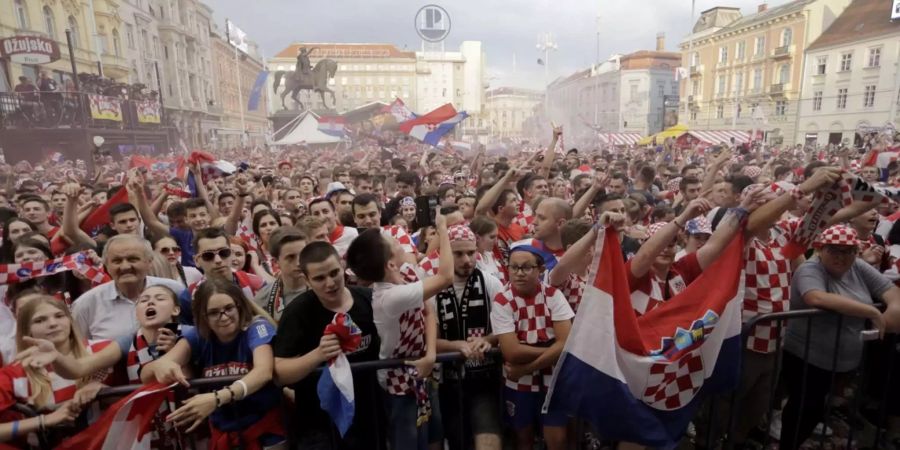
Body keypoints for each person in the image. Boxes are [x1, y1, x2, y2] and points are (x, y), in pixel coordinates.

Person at [779, 225, 900, 449]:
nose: (841, 256)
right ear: (820, 249)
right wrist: (871, 311)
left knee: (817, 409)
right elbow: (816, 298)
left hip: (842, 359)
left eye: (848, 251)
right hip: (807, 357)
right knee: (805, 408)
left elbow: (892, 293)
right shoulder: (811, 269)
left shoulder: (858, 266)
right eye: (834, 250)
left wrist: (891, 314)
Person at [345, 212, 453, 450]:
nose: (399, 240)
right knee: (407, 442)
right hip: (398, 380)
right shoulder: (387, 297)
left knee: (434, 433)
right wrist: (443, 229)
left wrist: (430, 355)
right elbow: (445, 277)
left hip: (422, 368)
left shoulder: (407, 273)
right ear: (390, 263)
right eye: (393, 241)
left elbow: (428, 313)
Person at [141, 278, 284, 449]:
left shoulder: (257, 327)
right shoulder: (198, 335)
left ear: (239, 306)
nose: (224, 317)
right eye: (214, 312)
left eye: (229, 308)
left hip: (264, 432)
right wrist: (160, 365)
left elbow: (263, 371)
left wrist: (217, 398)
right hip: (224, 432)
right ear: (204, 317)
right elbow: (146, 375)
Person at [272, 242, 382, 449]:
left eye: (334, 273)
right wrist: (318, 355)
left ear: (342, 267)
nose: (330, 283)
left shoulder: (369, 299)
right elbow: (279, 373)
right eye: (320, 278)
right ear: (306, 280)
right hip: (318, 424)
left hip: (370, 416)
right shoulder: (297, 313)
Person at [0, 296, 114, 448]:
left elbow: (140, 396)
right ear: (26, 330)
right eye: (40, 320)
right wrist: (45, 421)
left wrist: (103, 391)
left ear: (70, 321)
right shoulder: (13, 374)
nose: (53, 324)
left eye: (59, 316)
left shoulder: (104, 351)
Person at [491, 244, 574, 450]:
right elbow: (512, 351)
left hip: (552, 380)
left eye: (526, 267)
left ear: (541, 269)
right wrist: (553, 349)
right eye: (514, 267)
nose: (519, 273)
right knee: (523, 439)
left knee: (557, 440)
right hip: (520, 383)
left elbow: (566, 344)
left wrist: (526, 367)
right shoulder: (502, 300)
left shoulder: (553, 295)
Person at [434, 225, 504, 450]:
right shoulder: (432, 288)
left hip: (484, 379)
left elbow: (508, 329)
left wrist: (490, 340)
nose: (467, 259)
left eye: (471, 252)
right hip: (448, 382)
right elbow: (429, 341)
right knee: (458, 442)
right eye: (458, 253)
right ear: (445, 254)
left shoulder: (491, 283)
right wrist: (456, 345)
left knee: (488, 441)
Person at [72, 234, 184, 340]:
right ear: (106, 265)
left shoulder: (174, 290)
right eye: (117, 261)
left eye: (132, 259)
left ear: (149, 262)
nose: (125, 267)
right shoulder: (86, 304)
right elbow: (78, 350)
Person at [178, 227, 266, 325]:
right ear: (196, 261)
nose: (218, 260)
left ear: (231, 254)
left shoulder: (257, 284)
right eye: (208, 255)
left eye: (224, 252)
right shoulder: (189, 297)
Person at [253, 227, 308, 321]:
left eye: (303, 254)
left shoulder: (323, 291)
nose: (299, 262)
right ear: (275, 262)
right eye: (291, 257)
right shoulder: (264, 298)